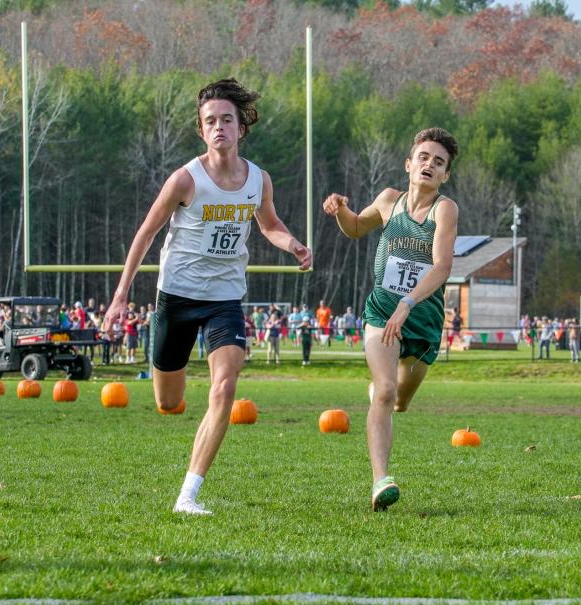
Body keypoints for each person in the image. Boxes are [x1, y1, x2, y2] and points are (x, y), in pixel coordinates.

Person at [102, 78, 312, 515]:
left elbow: (268, 223)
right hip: (176, 296)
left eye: (227, 120)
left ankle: (188, 496)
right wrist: (121, 296)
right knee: (169, 401)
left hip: (225, 298)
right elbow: (145, 234)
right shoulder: (185, 179)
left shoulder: (258, 179)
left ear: (240, 128)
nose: (219, 127)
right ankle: (174, 402)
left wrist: (291, 244)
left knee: (224, 387)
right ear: (202, 131)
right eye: (210, 121)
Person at [323, 127, 458, 512]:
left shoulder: (444, 210)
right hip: (383, 310)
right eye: (424, 158)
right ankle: (381, 481)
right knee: (384, 391)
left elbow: (442, 266)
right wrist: (340, 209)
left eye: (439, 162)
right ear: (409, 164)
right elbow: (353, 228)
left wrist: (410, 303)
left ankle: (387, 395)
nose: (429, 165)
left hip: (422, 317)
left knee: (398, 400)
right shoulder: (388, 201)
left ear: (445, 175)